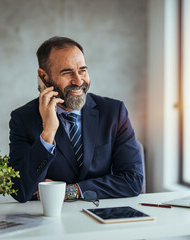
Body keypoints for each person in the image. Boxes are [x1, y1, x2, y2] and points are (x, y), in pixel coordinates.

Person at [9, 36, 143, 203]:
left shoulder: (114, 112)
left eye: (82, 70)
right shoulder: (23, 119)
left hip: (103, 216)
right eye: (67, 72)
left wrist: (72, 190)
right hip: (51, 221)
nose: (79, 81)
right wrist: (48, 133)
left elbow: (133, 181)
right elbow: (20, 191)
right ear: (43, 76)